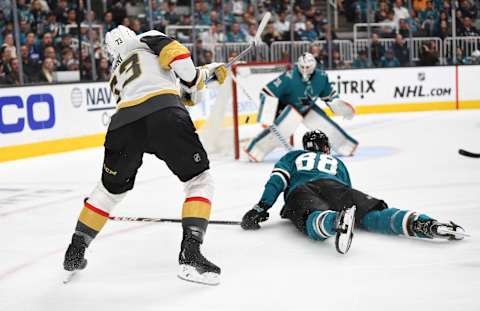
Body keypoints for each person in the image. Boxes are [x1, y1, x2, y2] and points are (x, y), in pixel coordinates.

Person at [62, 26, 228, 286]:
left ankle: (76, 248)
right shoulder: (146, 38)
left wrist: (203, 76)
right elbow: (181, 66)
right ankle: (191, 252)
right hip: (164, 114)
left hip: (123, 125)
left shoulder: (115, 74)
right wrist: (203, 75)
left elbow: (161, 91)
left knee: (108, 191)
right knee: (199, 180)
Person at [241, 130, 467, 254]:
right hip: (336, 186)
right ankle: (425, 224)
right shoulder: (337, 163)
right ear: (326, 148)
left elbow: (276, 182)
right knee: (372, 216)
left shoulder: (293, 156)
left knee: (313, 217)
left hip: (301, 190)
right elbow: (345, 189)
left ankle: (334, 222)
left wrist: (260, 208)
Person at [244, 52, 358, 162]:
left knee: (326, 126)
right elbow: (267, 92)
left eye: (307, 67)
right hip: (289, 109)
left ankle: (345, 146)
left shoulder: (321, 77)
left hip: (308, 108)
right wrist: (267, 115)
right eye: (302, 66)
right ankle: (255, 149)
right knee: (281, 132)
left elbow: (328, 95)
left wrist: (338, 105)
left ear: (313, 66)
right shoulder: (288, 77)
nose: (304, 70)